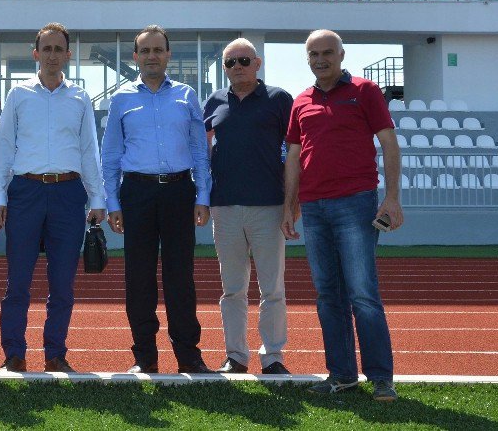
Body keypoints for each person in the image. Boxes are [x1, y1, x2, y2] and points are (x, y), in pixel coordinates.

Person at [282, 29, 403, 402]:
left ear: (341, 54)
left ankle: (381, 377)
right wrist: (290, 204)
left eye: (328, 53)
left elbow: (389, 142)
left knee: (363, 294)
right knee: (327, 296)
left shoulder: (365, 91)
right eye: (314, 54)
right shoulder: (300, 101)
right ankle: (342, 374)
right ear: (307, 59)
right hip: (314, 207)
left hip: (356, 202)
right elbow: (292, 156)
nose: (321, 59)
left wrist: (393, 198)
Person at [0, 23, 106, 373]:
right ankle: (14, 353)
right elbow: (4, 146)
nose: (53, 55)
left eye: (59, 49)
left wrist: (97, 197)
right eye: (47, 48)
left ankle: (55, 352)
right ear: (35, 53)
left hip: (69, 193)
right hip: (25, 191)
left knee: (62, 283)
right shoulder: (18, 95)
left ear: (68, 55)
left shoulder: (80, 97)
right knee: (18, 281)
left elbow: (89, 149)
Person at [101, 25, 213, 374]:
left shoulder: (186, 95)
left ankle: (188, 355)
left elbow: (199, 149)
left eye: (157, 50)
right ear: (135, 57)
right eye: (144, 51)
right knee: (139, 278)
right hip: (137, 193)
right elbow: (110, 156)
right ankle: (144, 356)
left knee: (181, 276)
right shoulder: (120, 99)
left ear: (168, 55)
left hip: (180, 192)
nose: (151, 56)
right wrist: (113, 202)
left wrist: (203, 195)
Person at [203, 38, 293, 376]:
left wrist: (291, 201)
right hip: (225, 208)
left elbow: (295, 150)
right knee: (232, 289)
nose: (236, 67)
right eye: (229, 62)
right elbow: (203, 152)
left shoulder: (280, 99)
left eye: (243, 60)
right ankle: (236, 356)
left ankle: (272, 357)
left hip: (269, 206)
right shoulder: (213, 101)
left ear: (257, 63)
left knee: (272, 288)